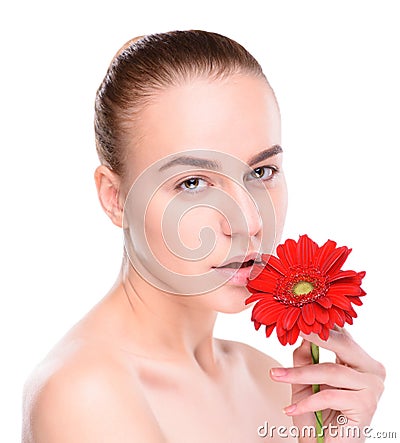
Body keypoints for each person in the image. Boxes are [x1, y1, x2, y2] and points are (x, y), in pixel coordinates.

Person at [22, 30, 385, 442]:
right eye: (193, 182)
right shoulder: (85, 395)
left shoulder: (273, 385)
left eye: (261, 172)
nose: (248, 221)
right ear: (115, 198)